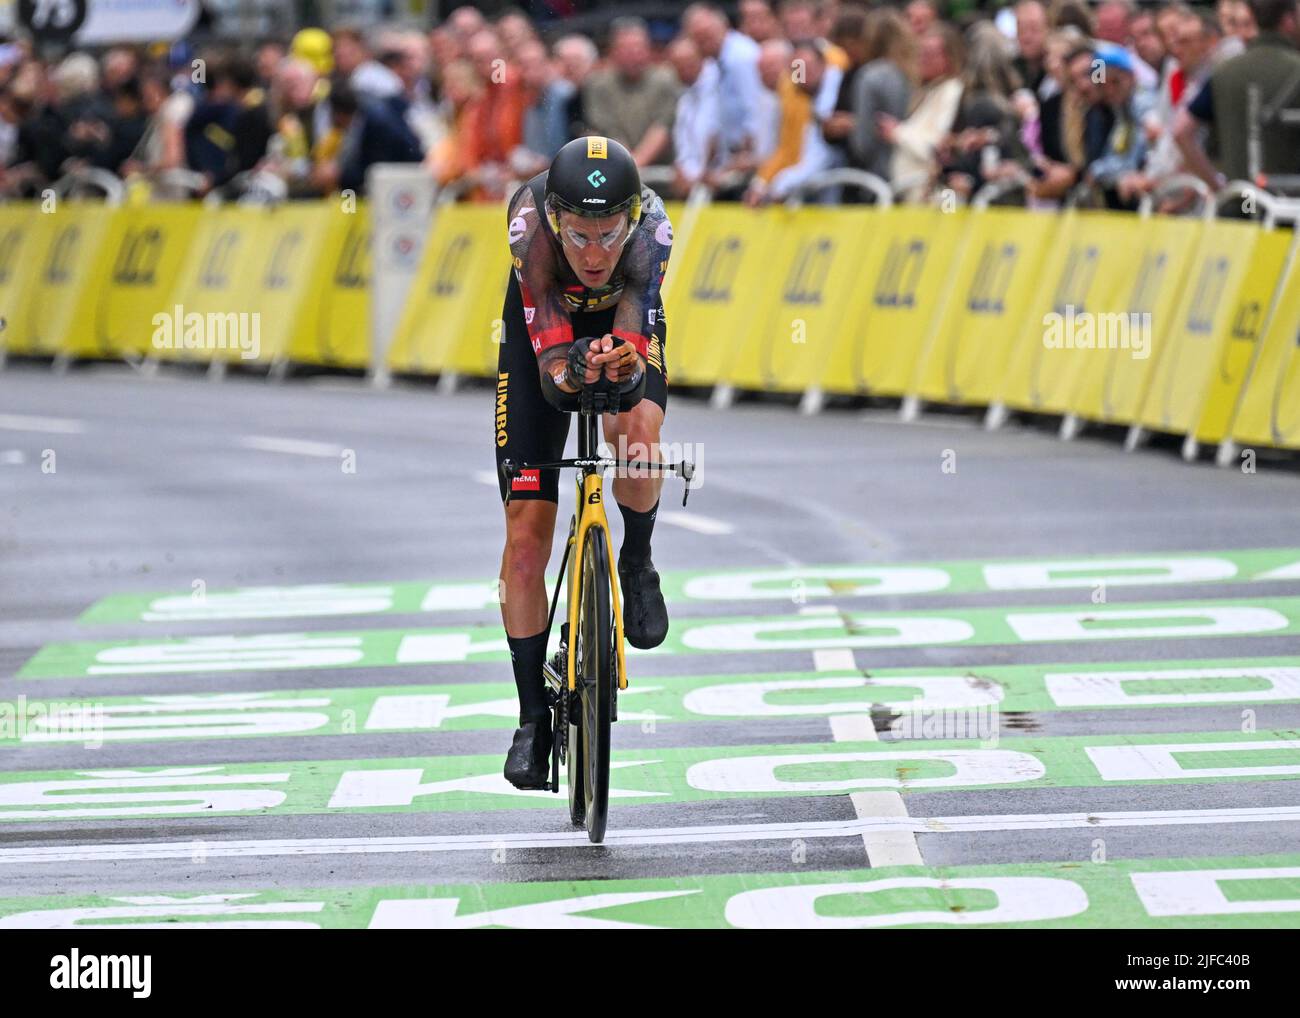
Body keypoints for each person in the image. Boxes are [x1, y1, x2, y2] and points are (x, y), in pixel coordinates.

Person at [496, 137, 674, 789]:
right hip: (543, 332)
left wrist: (616, 364)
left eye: (608, 235)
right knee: (523, 545)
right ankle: (532, 719)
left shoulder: (654, 231)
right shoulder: (527, 227)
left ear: (630, 219)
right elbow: (548, 375)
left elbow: (631, 340)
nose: (595, 254)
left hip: (622, 323)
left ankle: (637, 558)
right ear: (554, 223)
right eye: (579, 235)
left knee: (635, 431)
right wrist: (571, 367)